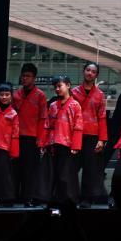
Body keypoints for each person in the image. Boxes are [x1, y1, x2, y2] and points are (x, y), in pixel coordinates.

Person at [40, 75, 83, 206]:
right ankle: (52, 199)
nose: (57, 89)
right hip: (53, 143)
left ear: (68, 85)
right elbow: (47, 125)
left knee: (66, 174)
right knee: (52, 173)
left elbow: (78, 126)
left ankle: (69, 200)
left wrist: (75, 146)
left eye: (59, 86)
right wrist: (43, 143)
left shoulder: (75, 105)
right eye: (55, 87)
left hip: (67, 144)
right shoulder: (53, 105)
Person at [72, 62, 108, 206]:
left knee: (90, 168)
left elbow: (102, 117)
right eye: (88, 70)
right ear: (83, 71)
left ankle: (86, 198)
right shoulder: (73, 92)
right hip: (75, 133)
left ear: (96, 75)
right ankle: (71, 196)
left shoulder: (100, 94)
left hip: (92, 135)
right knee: (71, 167)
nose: (90, 73)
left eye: (93, 72)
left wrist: (102, 139)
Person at [13, 63, 47, 207]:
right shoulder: (16, 94)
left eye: (28, 76)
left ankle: (28, 198)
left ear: (34, 78)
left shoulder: (40, 95)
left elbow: (43, 119)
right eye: (23, 76)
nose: (25, 78)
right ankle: (13, 196)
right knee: (15, 168)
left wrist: (41, 139)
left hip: (32, 138)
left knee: (30, 170)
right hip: (16, 137)